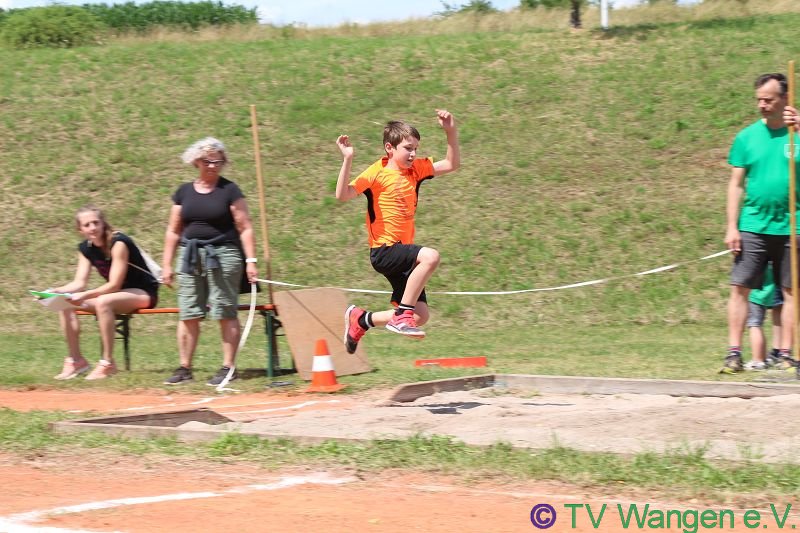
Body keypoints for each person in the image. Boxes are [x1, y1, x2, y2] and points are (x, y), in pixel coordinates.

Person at [335, 109, 460, 354]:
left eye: (416, 149)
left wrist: (451, 131)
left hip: (402, 252)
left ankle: (362, 320)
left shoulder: (417, 170)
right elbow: (342, 195)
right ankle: (402, 315)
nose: (413, 154)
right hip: (384, 250)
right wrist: (347, 158)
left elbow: (451, 164)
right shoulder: (376, 173)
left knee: (421, 316)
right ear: (389, 148)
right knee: (430, 257)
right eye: (408, 148)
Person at [161, 137, 258, 385]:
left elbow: (245, 227)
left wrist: (251, 261)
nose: (213, 166)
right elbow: (173, 230)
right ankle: (184, 367)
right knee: (189, 311)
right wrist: (167, 264)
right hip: (190, 256)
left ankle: (228, 367)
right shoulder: (184, 192)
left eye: (218, 161)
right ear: (196, 162)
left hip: (224, 254)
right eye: (207, 161)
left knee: (225, 309)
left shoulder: (230, 191)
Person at [721, 73, 800, 374]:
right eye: (759, 100)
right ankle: (733, 353)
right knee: (740, 287)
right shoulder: (747, 137)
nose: (762, 105)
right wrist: (732, 226)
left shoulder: (796, 134)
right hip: (753, 225)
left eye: (768, 99)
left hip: (793, 225)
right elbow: (736, 184)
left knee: (791, 291)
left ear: (785, 99)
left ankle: (786, 355)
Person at [47, 205, 159, 380]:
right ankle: (76, 361)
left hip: (143, 292)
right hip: (118, 294)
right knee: (64, 302)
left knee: (104, 302)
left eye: (96, 223)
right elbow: (79, 282)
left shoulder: (118, 243)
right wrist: (56, 292)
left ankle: (107, 363)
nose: (92, 228)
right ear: (80, 230)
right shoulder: (85, 248)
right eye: (87, 225)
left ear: (103, 223)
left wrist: (85, 295)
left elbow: (114, 284)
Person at [744, 266, 783, 370]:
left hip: (757, 295)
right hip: (769, 292)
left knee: (754, 325)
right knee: (757, 324)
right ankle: (766, 357)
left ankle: (758, 360)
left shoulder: (760, 262)